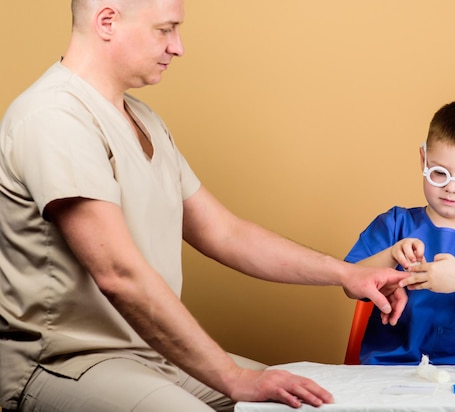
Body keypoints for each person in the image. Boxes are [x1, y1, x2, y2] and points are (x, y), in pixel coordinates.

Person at [0, 1, 412, 411]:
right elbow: (118, 274)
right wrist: (234, 379)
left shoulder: (143, 119)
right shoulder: (54, 117)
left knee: (302, 404)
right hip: (71, 363)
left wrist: (347, 274)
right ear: (107, 21)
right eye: (165, 29)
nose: (178, 47)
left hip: (154, 353)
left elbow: (225, 233)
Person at [344, 98, 455, 366]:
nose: (452, 188)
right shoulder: (394, 224)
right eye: (440, 173)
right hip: (388, 368)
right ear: (423, 160)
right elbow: (350, 284)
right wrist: (391, 254)